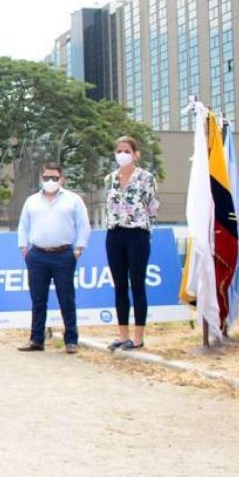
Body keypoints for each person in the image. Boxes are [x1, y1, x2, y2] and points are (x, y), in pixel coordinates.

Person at [16, 162, 90, 354]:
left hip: (63, 254)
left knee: (66, 299)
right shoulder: (32, 201)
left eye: (54, 178)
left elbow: (83, 224)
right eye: (46, 177)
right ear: (41, 178)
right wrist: (24, 247)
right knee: (37, 300)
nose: (50, 181)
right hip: (37, 255)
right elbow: (23, 225)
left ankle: (71, 340)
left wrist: (79, 248)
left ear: (62, 179)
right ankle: (36, 339)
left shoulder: (73, 200)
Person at [103, 135, 159, 351]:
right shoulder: (109, 178)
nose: (122, 154)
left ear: (136, 154)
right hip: (114, 234)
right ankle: (122, 335)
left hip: (137, 233)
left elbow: (152, 206)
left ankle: (138, 337)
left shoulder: (146, 178)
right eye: (119, 151)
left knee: (137, 284)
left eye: (127, 151)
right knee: (119, 286)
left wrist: (146, 229)